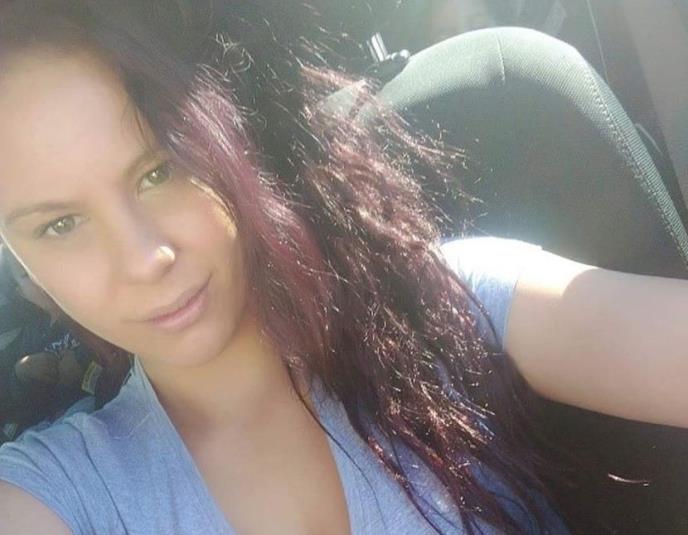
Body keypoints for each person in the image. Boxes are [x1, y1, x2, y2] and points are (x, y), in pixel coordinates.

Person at [0, 1, 685, 534]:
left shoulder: (445, 305)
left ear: (225, 133)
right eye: (60, 225)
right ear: (22, 266)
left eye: (159, 172)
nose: (145, 257)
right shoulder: (60, 490)